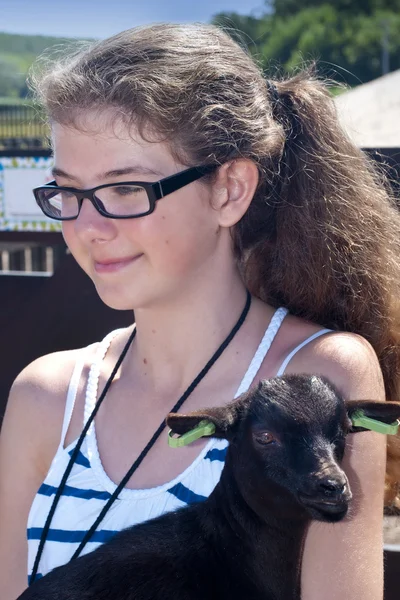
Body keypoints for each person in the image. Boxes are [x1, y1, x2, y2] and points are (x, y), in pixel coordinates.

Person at [0, 22, 399, 600]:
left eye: (126, 188)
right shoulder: (47, 396)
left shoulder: (317, 378)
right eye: (68, 192)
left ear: (229, 190)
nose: (87, 227)